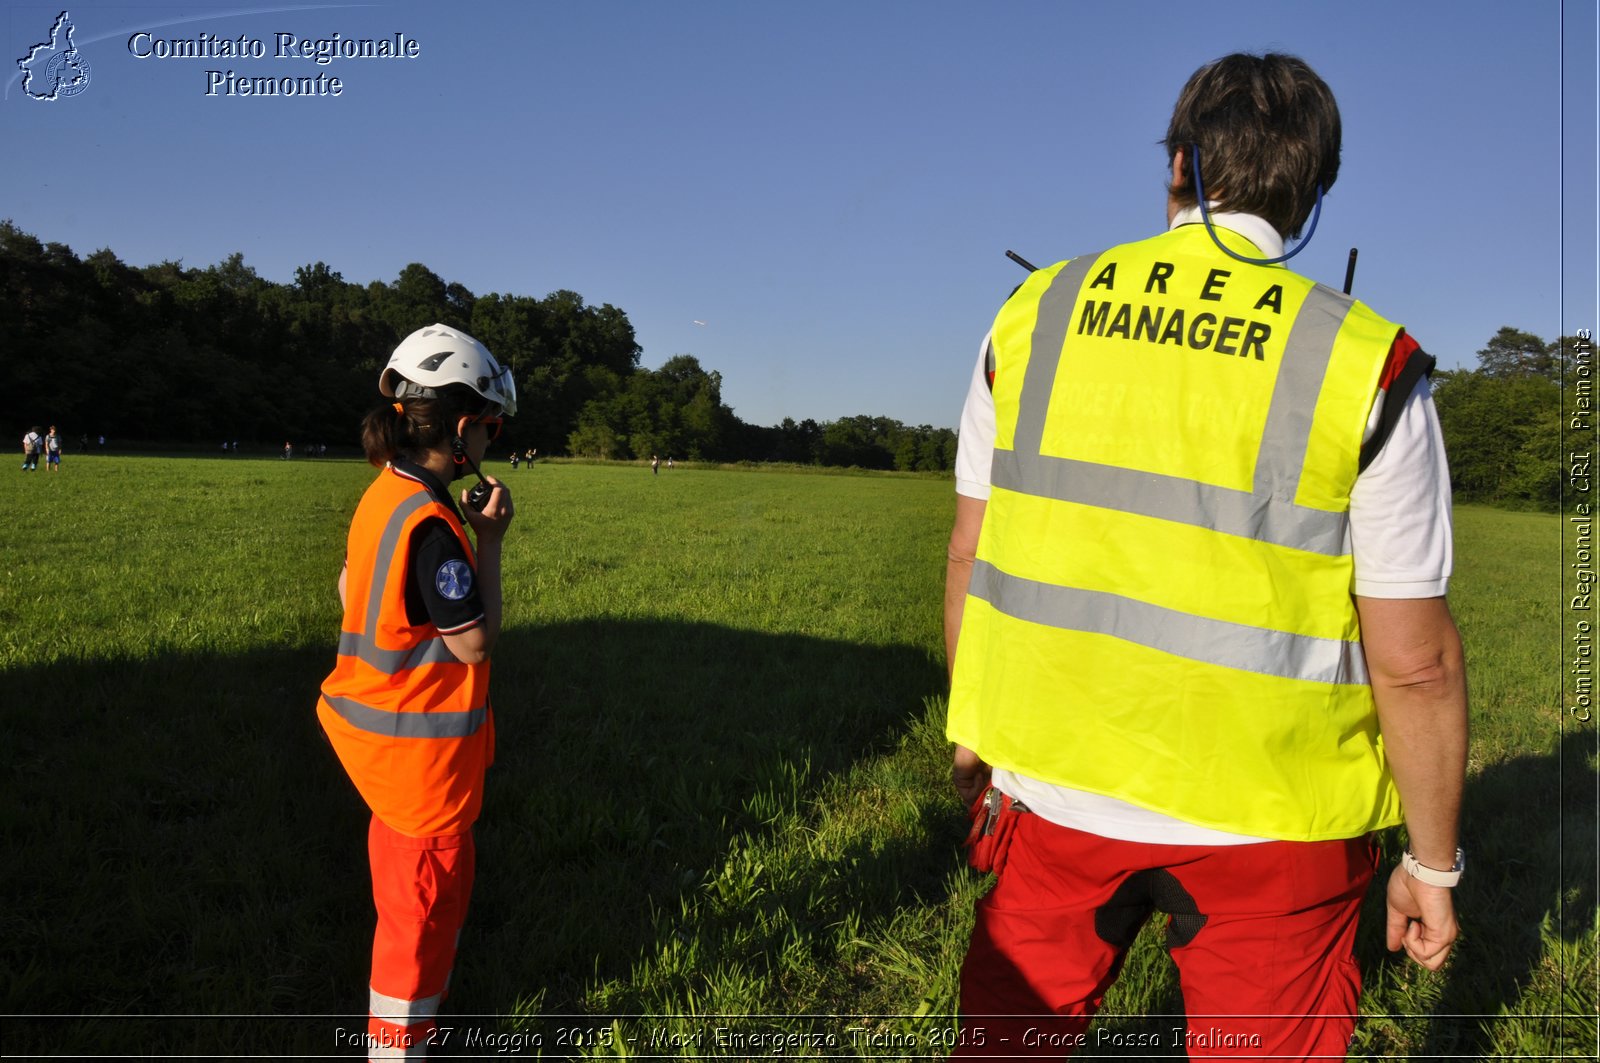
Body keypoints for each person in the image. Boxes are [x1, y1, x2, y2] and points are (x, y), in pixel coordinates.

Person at [944, 53, 1467, 1059]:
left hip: (1050, 793)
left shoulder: (1032, 315)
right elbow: (1415, 661)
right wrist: (1432, 864)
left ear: (1177, 162)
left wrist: (974, 742)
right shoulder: (1368, 362)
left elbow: (971, 553)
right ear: (1311, 188)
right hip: (1276, 831)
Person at [316, 323, 517, 1059]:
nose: (493, 442)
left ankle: (407, 1033)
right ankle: (396, 1048)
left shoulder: (385, 493)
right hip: (421, 778)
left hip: (382, 761)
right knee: (417, 935)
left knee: (411, 916)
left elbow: (348, 586)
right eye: (491, 428)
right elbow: (474, 640)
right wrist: (488, 541)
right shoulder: (433, 525)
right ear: (464, 429)